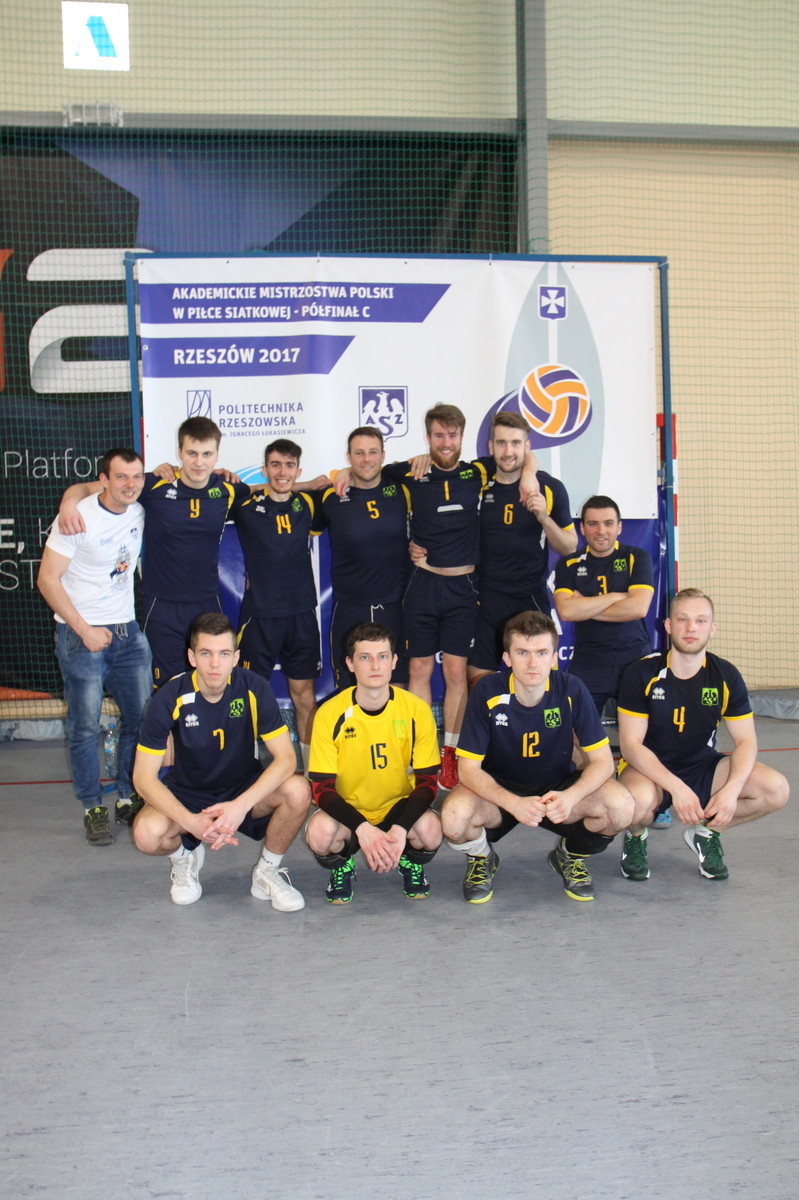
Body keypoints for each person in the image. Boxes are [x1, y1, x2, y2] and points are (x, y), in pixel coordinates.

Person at [339, 403, 538, 791]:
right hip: (422, 586)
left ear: (462, 437)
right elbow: (367, 471)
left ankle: (451, 753)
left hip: (464, 590)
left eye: (452, 435)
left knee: (456, 674)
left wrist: (529, 472)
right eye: (438, 435)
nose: (445, 442)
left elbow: (523, 455)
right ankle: (423, 752)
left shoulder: (478, 471)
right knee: (418, 670)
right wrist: (343, 473)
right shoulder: (411, 473)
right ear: (428, 437)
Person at [442, 610, 633, 903]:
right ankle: (481, 857)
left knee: (621, 806)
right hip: (500, 791)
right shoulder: (487, 691)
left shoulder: (571, 689)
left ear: (554, 658)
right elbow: (468, 769)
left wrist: (570, 796)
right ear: (507, 658)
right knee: (454, 819)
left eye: (542, 653)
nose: (533, 663)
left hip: (558, 790)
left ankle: (569, 855)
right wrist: (513, 803)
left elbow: (604, 762)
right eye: (522, 653)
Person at [132, 612, 310, 908]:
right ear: (192, 657)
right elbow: (143, 778)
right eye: (206, 653)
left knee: (298, 790)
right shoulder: (169, 697)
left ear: (236, 657)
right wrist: (190, 821)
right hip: (188, 793)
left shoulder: (254, 687)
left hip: (243, 787)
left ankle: (267, 872)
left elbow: (287, 760)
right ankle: (184, 858)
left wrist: (239, 806)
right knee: (146, 835)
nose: (215, 664)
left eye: (224, 653)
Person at [57, 417, 248, 686]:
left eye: (207, 454)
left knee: (209, 683)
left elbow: (267, 492)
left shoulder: (229, 489)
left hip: (207, 602)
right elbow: (87, 488)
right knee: (166, 689)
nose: (199, 462)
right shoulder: (154, 484)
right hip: (161, 606)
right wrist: (67, 505)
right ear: (179, 452)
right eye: (192, 453)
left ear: (217, 455)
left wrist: (303, 485)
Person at [616, 588, 789, 883]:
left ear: (712, 628)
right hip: (648, 770)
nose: (691, 628)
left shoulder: (725, 675)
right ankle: (635, 837)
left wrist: (731, 790)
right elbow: (631, 746)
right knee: (632, 804)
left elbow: (746, 741)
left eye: (700, 621)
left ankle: (707, 834)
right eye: (682, 619)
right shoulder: (642, 673)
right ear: (668, 626)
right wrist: (677, 788)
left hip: (702, 766)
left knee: (776, 789)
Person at [37, 448, 153, 845]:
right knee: (85, 726)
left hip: (128, 635)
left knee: (140, 721)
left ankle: (126, 796)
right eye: (121, 477)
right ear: (103, 480)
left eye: (137, 476)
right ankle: (93, 807)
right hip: (81, 637)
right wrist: (84, 630)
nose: (131, 485)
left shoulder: (139, 510)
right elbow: (47, 580)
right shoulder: (77, 518)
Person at [306, 622, 441, 904]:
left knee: (430, 831)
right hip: (350, 809)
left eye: (382, 656)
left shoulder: (416, 709)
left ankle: (409, 861)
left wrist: (400, 828)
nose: (375, 665)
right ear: (350, 663)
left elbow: (428, 782)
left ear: (394, 661)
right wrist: (362, 828)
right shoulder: (329, 713)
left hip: (397, 805)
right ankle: (343, 865)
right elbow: (321, 789)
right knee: (320, 835)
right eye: (365, 657)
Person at [231, 439, 323, 767]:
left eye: (289, 466)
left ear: (298, 470)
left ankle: (312, 773)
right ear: (264, 469)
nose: (282, 472)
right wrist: (302, 483)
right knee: (248, 697)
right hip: (259, 617)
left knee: (304, 695)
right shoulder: (244, 505)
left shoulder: (309, 504)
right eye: (275, 465)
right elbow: (208, 488)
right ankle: (246, 770)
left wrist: (308, 486)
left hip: (301, 615)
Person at [469, 411, 577, 684]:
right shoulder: (476, 480)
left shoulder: (549, 488)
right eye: (501, 443)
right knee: (478, 683)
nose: (508, 451)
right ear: (490, 446)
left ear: (527, 447)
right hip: (486, 598)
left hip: (529, 596)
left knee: (540, 681)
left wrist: (543, 517)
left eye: (516, 443)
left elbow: (569, 547)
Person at [317, 427, 411, 687]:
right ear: (348, 457)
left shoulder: (403, 490)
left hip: (395, 607)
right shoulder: (331, 497)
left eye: (373, 452)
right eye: (359, 453)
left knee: (396, 689)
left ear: (383, 456)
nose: (366, 459)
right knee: (349, 690)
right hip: (350, 608)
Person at [554, 494, 655, 717]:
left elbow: (638, 608)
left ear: (619, 527)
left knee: (641, 730)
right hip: (589, 661)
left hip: (634, 658)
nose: (601, 531)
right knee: (574, 728)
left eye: (608, 523)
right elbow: (566, 611)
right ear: (582, 528)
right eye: (593, 524)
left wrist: (584, 606)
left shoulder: (637, 558)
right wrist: (615, 597)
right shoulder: (568, 564)